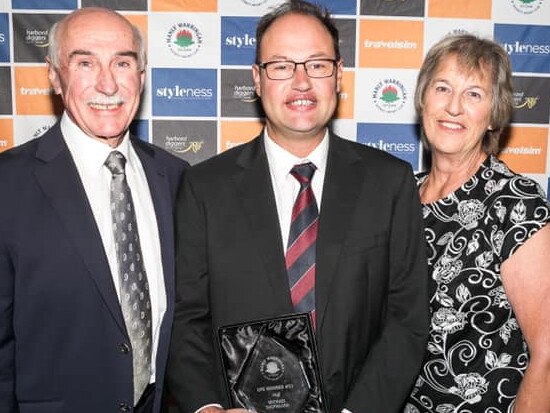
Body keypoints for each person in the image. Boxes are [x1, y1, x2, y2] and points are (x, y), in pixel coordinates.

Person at [166, 1, 429, 412]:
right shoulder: (204, 188)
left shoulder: (389, 182)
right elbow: (186, 318)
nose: (302, 82)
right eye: (282, 66)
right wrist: (208, 408)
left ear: (339, 75)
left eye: (317, 64)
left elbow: (406, 319)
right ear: (256, 79)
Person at [0, 7, 188, 413]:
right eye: (85, 62)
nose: (108, 83)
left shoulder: (177, 178)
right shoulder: (7, 185)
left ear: (141, 75)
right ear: (54, 75)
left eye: (122, 62)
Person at [403, 34, 550, 413]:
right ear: (422, 99)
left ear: (493, 114)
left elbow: (548, 352)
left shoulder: (514, 202)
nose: (453, 107)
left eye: (474, 94)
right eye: (442, 88)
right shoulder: (401, 198)